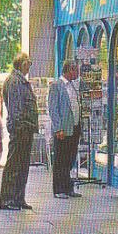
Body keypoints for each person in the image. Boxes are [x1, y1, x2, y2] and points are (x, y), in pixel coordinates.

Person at [0, 53, 38, 211]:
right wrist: (19, 126)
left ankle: (18, 198)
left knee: (22, 165)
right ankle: (8, 199)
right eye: (29, 62)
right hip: (20, 128)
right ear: (22, 64)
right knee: (14, 165)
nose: (30, 65)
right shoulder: (15, 81)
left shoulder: (20, 80)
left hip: (25, 127)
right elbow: (15, 107)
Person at [48, 60, 82, 199]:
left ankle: (68, 187)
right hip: (63, 129)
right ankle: (59, 189)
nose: (78, 74)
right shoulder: (57, 85)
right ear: (69, 70)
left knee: (70, 158)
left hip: (74, 126)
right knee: (61, 159)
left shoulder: (73, 86)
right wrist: (58, 128)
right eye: (76, 71)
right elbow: (53, 108)